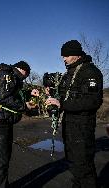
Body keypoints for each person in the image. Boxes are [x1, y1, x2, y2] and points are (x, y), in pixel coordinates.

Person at [46, 40, 103, 188]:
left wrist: (62, 104)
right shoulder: (68, 74)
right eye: (62, 56)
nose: (63, 58)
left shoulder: (90, 72)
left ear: (77, 55)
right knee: (74, 166)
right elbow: (63, 96)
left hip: (82, 128)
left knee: (84, 168)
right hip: (69, 126)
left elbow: (93, 101)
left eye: (67, 55)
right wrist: (52, 95)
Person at [0, 61, 38, 188]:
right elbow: (4, 97)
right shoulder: (5, 74)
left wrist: (29, 92)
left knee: (4, 158)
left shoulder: (14, 77)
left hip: (5, 121)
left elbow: (14, 93)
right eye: (26, 74)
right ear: (21, 69)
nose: (25, 77)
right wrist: (24, 106)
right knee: (0, 161)